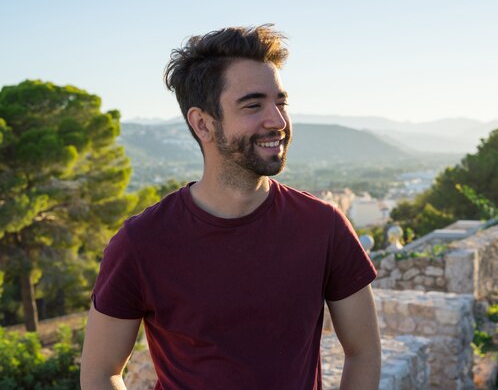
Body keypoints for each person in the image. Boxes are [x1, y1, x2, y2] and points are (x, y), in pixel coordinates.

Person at [80, 26, 381, 390]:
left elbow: (363, 350)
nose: (278, 121)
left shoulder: (324, 225)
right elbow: (101, 372)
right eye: (254, 105)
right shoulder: (142, 242)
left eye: (280, 102)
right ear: (203, 123)